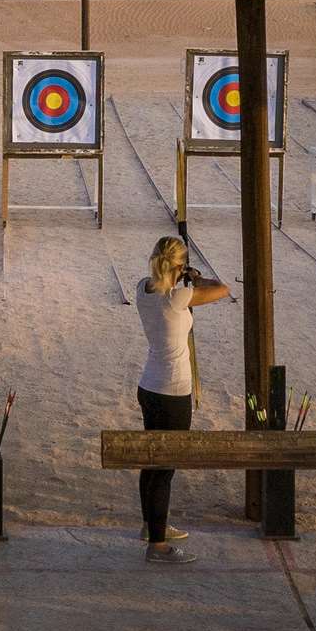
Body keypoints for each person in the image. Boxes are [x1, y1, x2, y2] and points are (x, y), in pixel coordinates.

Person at [134, 234, 230, 565]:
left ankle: (152, 526)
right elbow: (222, 289)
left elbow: (165, 285)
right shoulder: (178, 297)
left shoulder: (143, 290)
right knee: (164, 468)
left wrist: (181, 273)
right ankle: (157, 546)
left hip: (149, 386)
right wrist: (195, 277)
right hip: (172, 391)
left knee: (153, 460)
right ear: (178, 265)